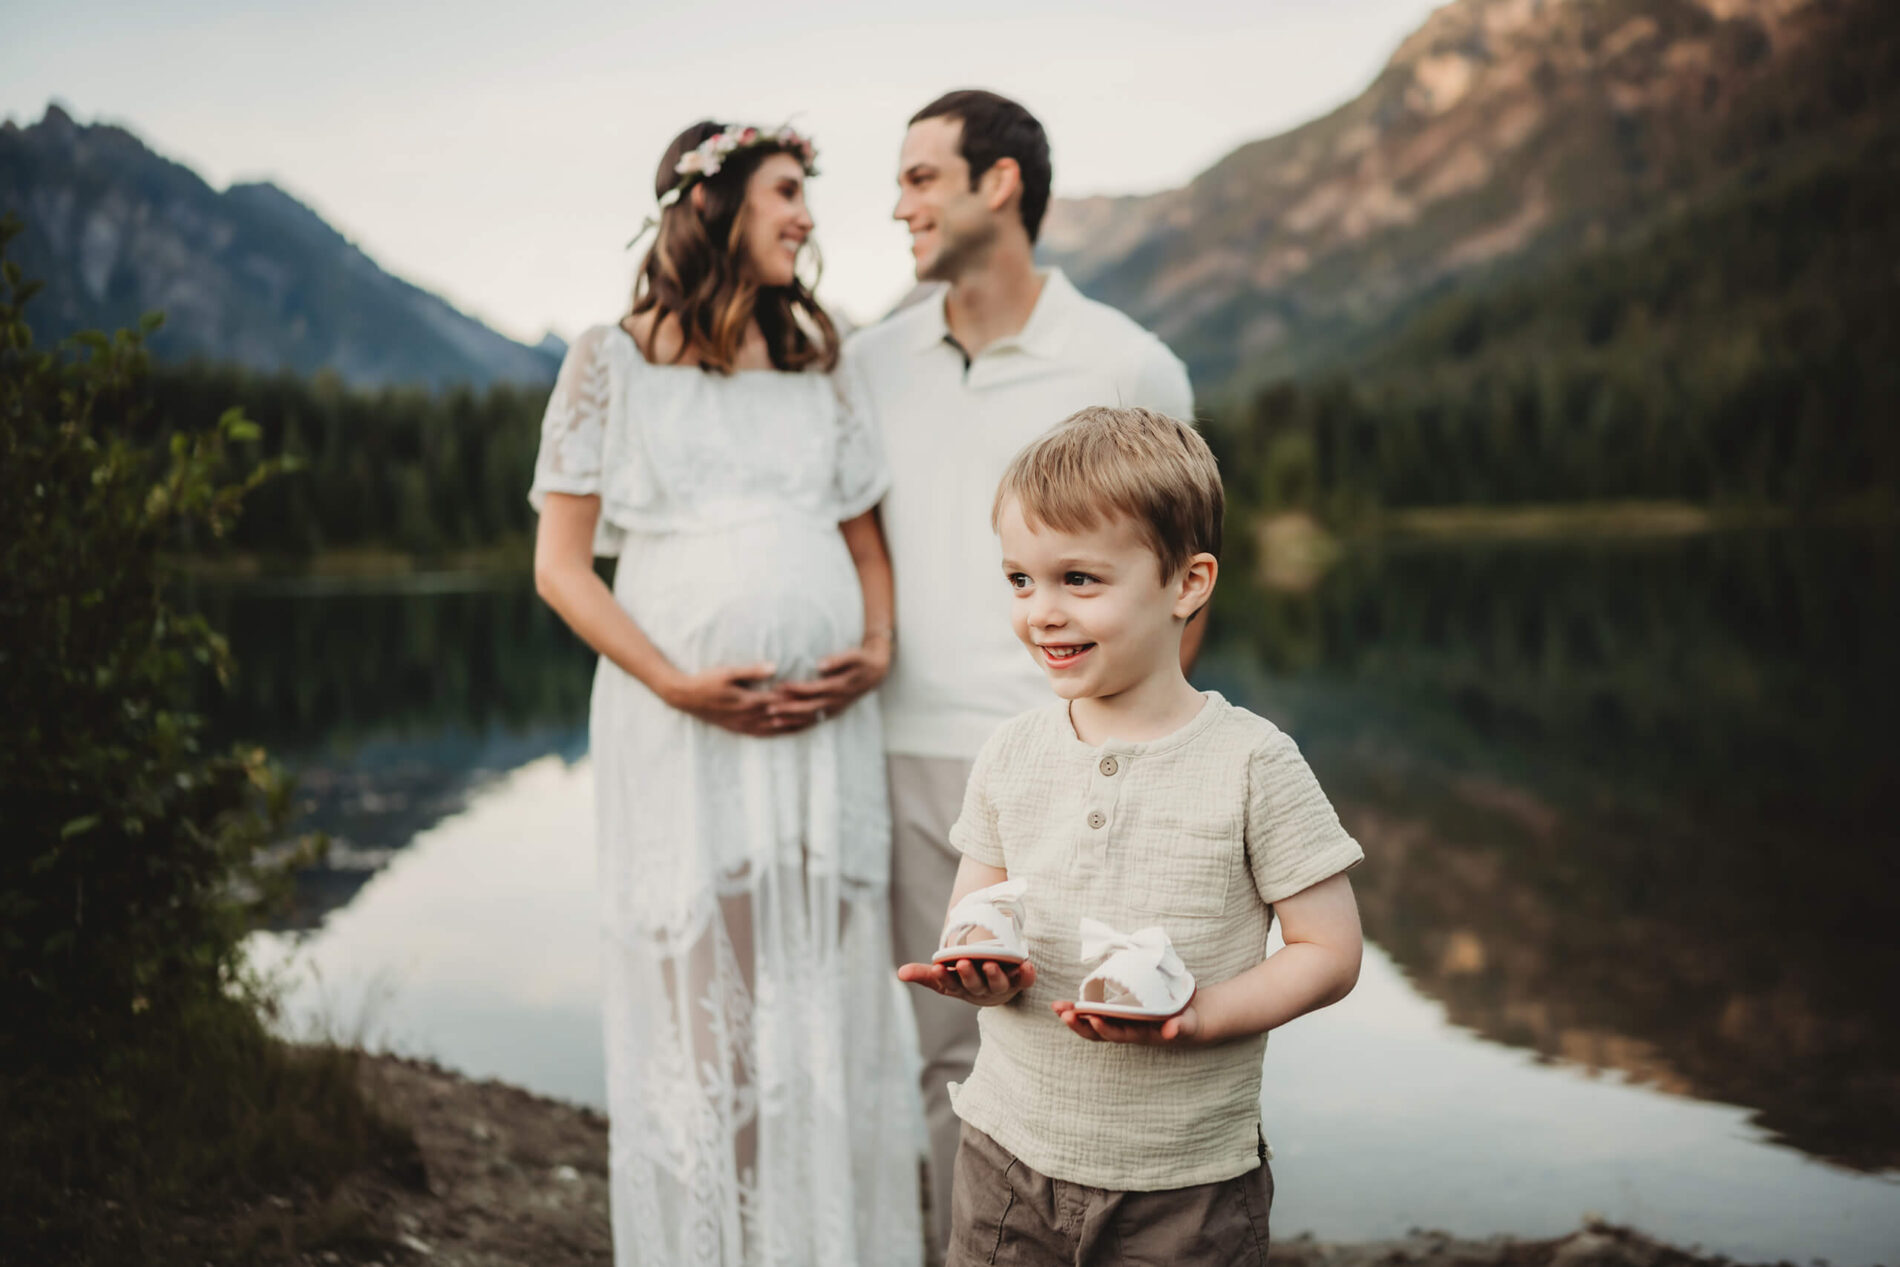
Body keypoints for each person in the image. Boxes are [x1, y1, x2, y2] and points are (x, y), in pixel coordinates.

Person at [528, 120, 922, 1267]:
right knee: (710, 1017)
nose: (807, 216)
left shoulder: (818, 362)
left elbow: (868, 549)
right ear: (715, 207)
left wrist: (882, 646)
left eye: (806, 196)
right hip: (680, 731)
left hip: (822, 737)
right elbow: (560, 568)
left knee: (820, 1012)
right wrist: (675, 682)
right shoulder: (612, 360)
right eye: (787, 192)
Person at [843, 88, 1197, 1253]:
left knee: (1113, 1021)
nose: (899, 205)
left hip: (1080, 764)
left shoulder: (1127, 362)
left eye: (920, 177)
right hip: (907, 753)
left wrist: (1140, 757)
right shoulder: (869, 362)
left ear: (999, 185)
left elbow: (1176, 579)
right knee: (952, 1051)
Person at [898, 406, 1367, 1266]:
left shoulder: (1253, 761)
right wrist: (974, 966)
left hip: (1186, 1184)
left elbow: (1330, 951)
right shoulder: (1011, 751)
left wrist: (1204, 1014)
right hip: (1006, 1157)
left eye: (1079, 579)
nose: (1041, 611)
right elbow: (977, 910)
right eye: (1019, 580)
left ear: (1187, 583)